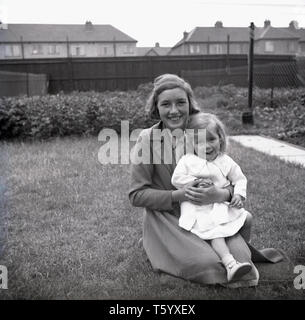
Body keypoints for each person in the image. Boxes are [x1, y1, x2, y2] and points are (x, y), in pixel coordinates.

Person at [129, 73, 283, 288]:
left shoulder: (202, 131)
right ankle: (153, 242)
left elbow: (228, 175)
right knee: (207, 264)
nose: (174, 110)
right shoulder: (147, 139)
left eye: (180, 102)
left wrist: (222, 194)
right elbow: (136, 195)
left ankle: (226, 260)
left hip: (211, 214)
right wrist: (180, 195)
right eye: (166, 104)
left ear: (190, 104)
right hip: (169, 216)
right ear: (156, 107)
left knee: (242, 261)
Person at [171, 112, 253, 282]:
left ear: (220, 139)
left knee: (247, 218)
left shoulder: (226, 161)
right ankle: (230, 263)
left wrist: (238, 193)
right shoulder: (188, 160)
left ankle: (243, 248)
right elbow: (176, 179)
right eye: (199, 141)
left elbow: (240, 179)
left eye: (211, 139)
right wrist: (194, 182)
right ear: (192, 144)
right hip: (198, 208)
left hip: (220, 204)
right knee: (215, 232)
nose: (206, 146)